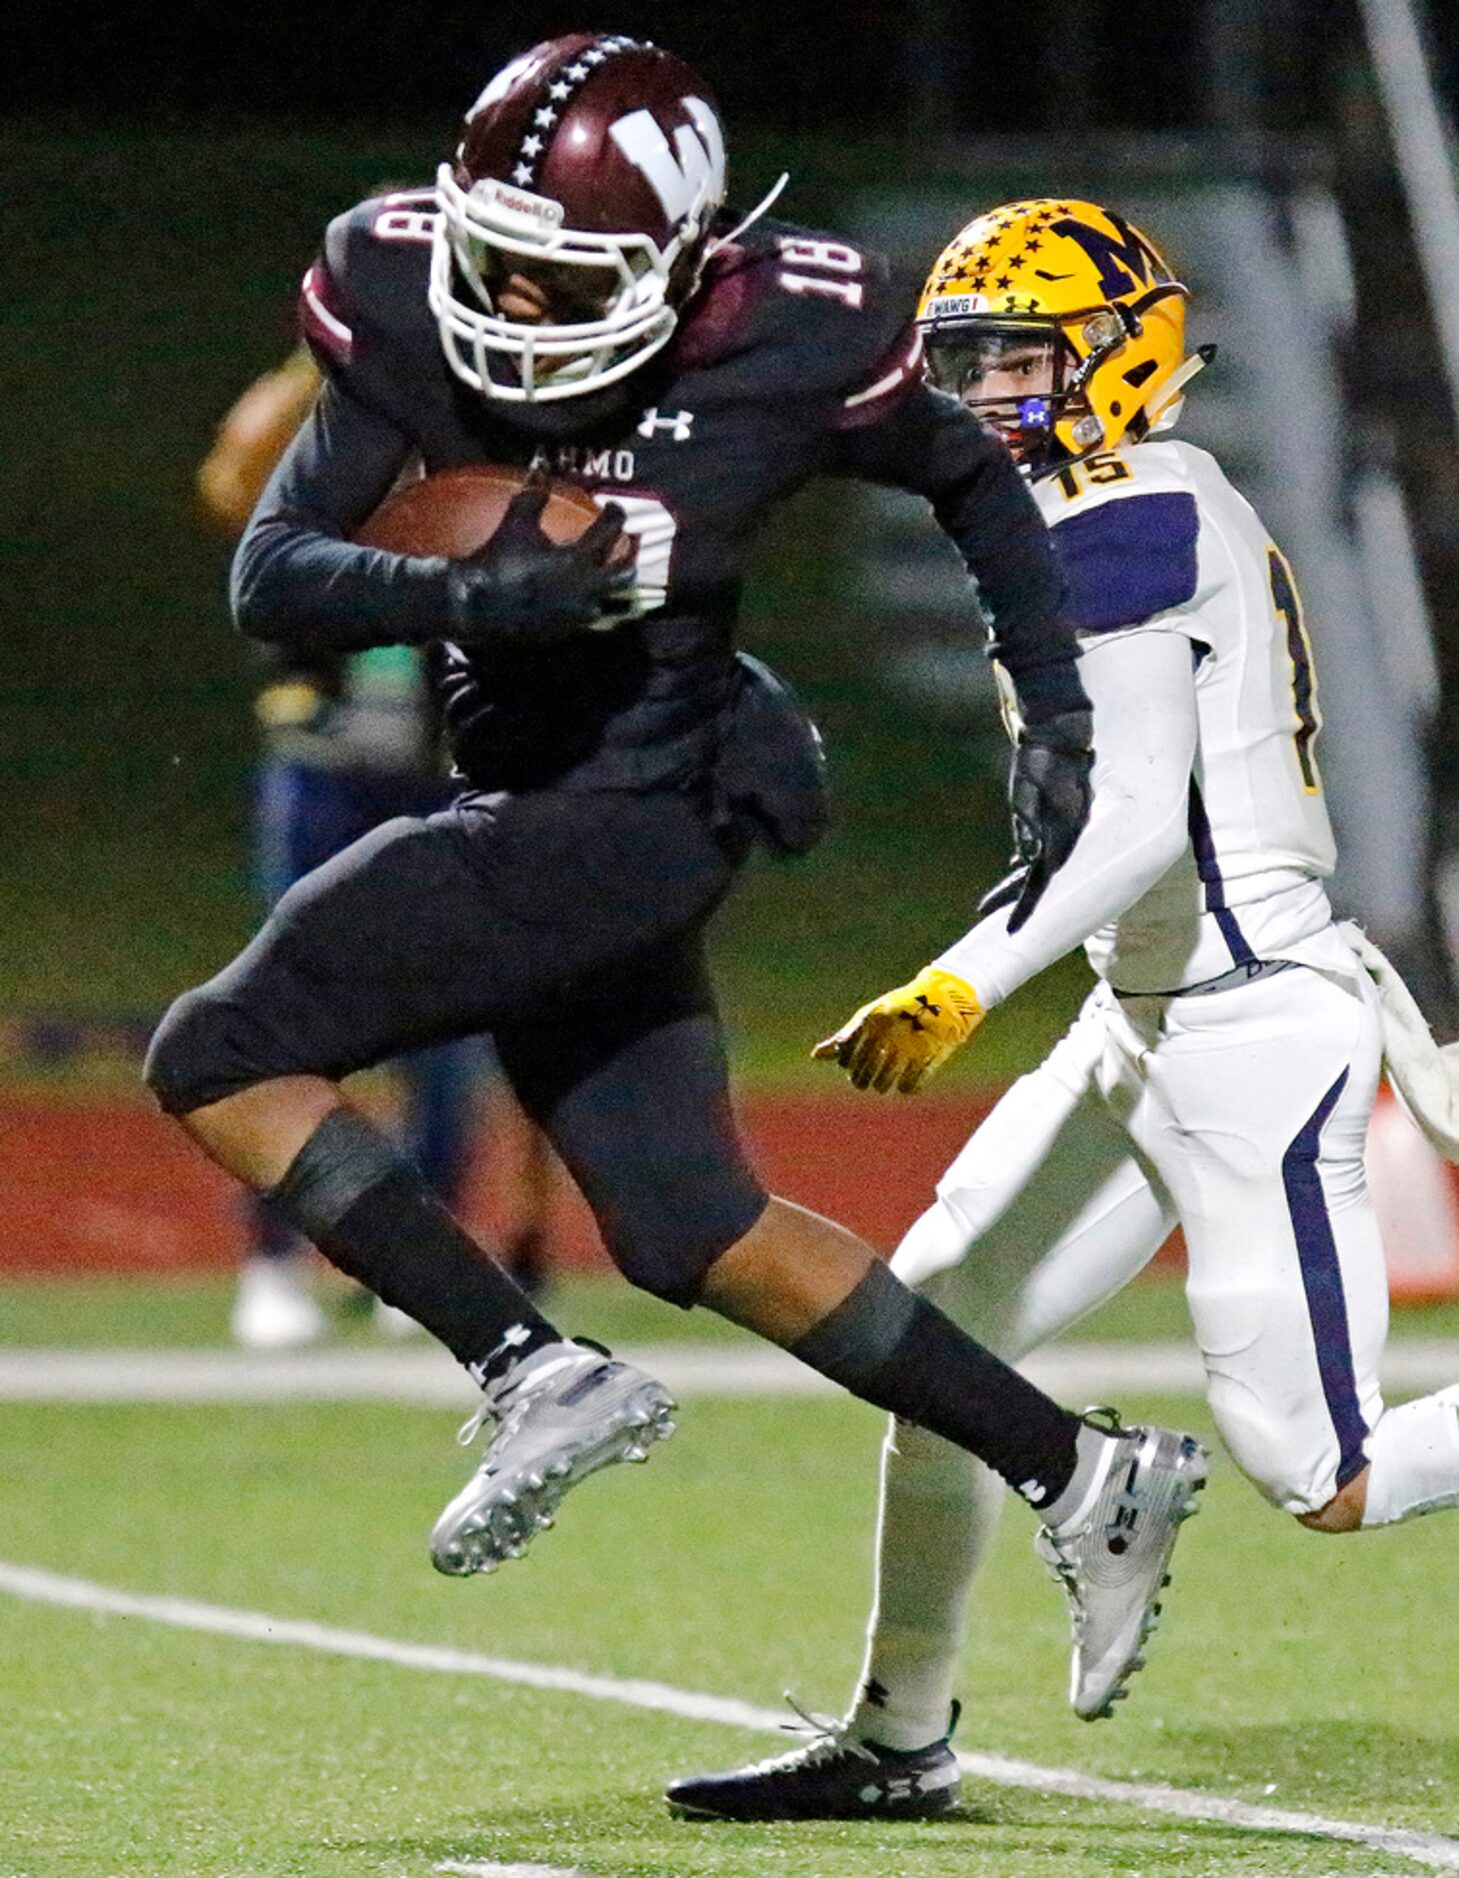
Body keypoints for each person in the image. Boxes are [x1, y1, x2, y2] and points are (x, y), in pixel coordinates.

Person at [665, 201, 1459, 1823]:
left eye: (1021, 362)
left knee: (1325, 1470)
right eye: (967, 363)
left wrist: (962, 978)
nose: (987, 397)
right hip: (1150, 1016)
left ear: (1119, 358)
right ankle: (899, 1732)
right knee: (931, 1345)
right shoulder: (1086, 499)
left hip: (1248, 1031)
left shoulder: (1121, 512)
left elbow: (1129, 825)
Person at [141, 36, 1206, 1721]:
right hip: (566, 788)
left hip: (629, 811)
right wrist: (487, 607)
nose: (508, 302)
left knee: (215, 1051)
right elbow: (275, 574)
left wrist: (1052, 700)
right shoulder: (396, 287)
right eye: (497, 259)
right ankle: (1080, 1468)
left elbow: (969, 469)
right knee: (692, 1226)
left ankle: (520, 1361)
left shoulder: (791, 324)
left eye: (560, 274)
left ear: (683, 262)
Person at [200, 344, 548, 1349]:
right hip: (322, 767)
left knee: (445, 1028)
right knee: (293, 1014)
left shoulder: (472, 441)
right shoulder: (322, 446)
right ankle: (274, 1259)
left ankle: (418, 1264)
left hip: (444, 768)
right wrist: (323, 363)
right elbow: (231, 483)